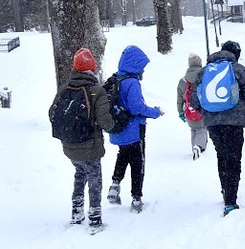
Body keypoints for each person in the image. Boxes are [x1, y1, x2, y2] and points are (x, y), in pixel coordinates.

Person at [50, 48, 114, 233]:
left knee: (79, 173)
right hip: (90, 145)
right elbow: (105, 122)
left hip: (69, 145)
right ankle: (94, 219)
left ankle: (76, 213)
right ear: (92, 69)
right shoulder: (96, 91)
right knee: (94, 179)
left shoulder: (65, 88)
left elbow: (52, 113)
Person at [191, 41, 245, 216]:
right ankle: (230, 200)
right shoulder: (238, 69)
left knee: (221, 155)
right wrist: (240, 110)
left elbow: (194, 98)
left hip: (213, 123)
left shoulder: (205, 71)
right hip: (234, 122)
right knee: (234, 158)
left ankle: (224, 188)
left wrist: (207, 113)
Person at [107, 45, 164, 214]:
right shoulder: (132, 83)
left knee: (123, 156)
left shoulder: (115, 79)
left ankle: (115, 186)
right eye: (141, 67)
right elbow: (137, 107)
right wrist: (155, 112)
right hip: (133, 129)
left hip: (117, 129)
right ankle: (136, 198)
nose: (143, 71)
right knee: (138, 163)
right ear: (135, 65)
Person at [176, 52, 208, 160]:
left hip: (189, 110)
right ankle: (198, 147)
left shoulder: (183, 81)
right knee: (201, 129)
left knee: (193, 129)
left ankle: (194, 148)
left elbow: (179, 99)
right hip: (202, 109)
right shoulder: (205, 77)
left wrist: (180, 111)